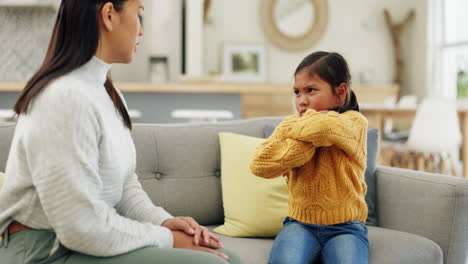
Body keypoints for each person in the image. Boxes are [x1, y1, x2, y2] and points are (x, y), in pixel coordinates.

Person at [0, 1, 241, 263]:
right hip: (45, 251)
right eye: (138, 14)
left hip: (83, 241)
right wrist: (166, 238)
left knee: (229, 258)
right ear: (109, 15)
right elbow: (79, 227)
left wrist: (165, 221)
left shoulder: (106, 94)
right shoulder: (62, 97)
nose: (141, 31)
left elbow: (124, 186)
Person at [250, 51, 369, 264]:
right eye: (297, 92)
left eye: (311, 90)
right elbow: (259, 164)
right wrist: (302, 145)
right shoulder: (293, 124)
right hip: (299, 224)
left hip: (347, 227)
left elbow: (323, 129)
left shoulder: (354, 123)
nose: (301, 101)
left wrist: (292, 130)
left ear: (340, 92)